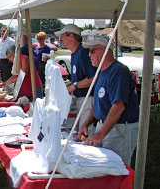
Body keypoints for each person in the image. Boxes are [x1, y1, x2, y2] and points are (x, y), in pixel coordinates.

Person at [78, 35, 139, 166]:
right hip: (106, 127)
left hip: (120, 128)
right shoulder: (102, 72)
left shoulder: (119, 71)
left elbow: (118, 106)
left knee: (117, 168)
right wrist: (85, 124)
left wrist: (99, 135)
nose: (89, 55)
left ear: (105, 50)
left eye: (92, 51)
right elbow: (99, 104)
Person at [55, 24, 96, 135]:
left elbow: (93, 78)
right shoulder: (75, 53)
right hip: (81, 99)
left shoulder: (83, 52)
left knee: (86, 134)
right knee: (79, 132)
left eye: (62, 36)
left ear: (71, 36)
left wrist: (74, 86)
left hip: (88, 99)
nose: (60, 39)